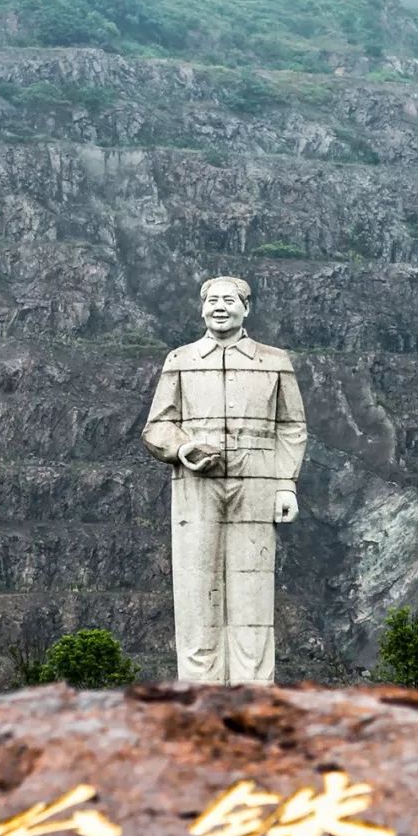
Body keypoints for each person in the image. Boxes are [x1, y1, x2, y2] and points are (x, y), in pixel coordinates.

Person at [141, 276, 307, 684]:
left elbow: (291, 426)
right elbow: (157, 427)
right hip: (196, 483)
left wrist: (286, 483)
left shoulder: (275, 361)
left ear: (246, 308)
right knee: (196, 586)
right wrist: (183, 450)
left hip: (258, 480)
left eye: (229, 300)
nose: (220, 307)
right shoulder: (180, 360)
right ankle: (200, 690)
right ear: (201, 308)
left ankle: (254, 690)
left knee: (253, 587)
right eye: (212, 300)